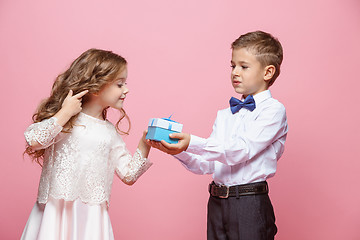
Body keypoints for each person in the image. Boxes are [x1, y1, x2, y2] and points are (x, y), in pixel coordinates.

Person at [147, 31, 288, 240]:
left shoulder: (273, 111)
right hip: (217, 203)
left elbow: (241, 150)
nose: (235, 72)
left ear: (268, 72)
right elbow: (207, 163)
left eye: (244, 66)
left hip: (249, 204)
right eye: (233, 66)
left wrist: (192, 141)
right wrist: (177, 149)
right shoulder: (224, 115)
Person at [21, 48, 152, 240]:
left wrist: (144, 145)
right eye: (119, 84)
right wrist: (65, 112)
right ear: (97, 86)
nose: (126, 89)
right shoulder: (65, 122)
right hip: (55, 215)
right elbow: (34, 140)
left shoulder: (109, 133)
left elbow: (129, 175)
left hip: (91, 221)